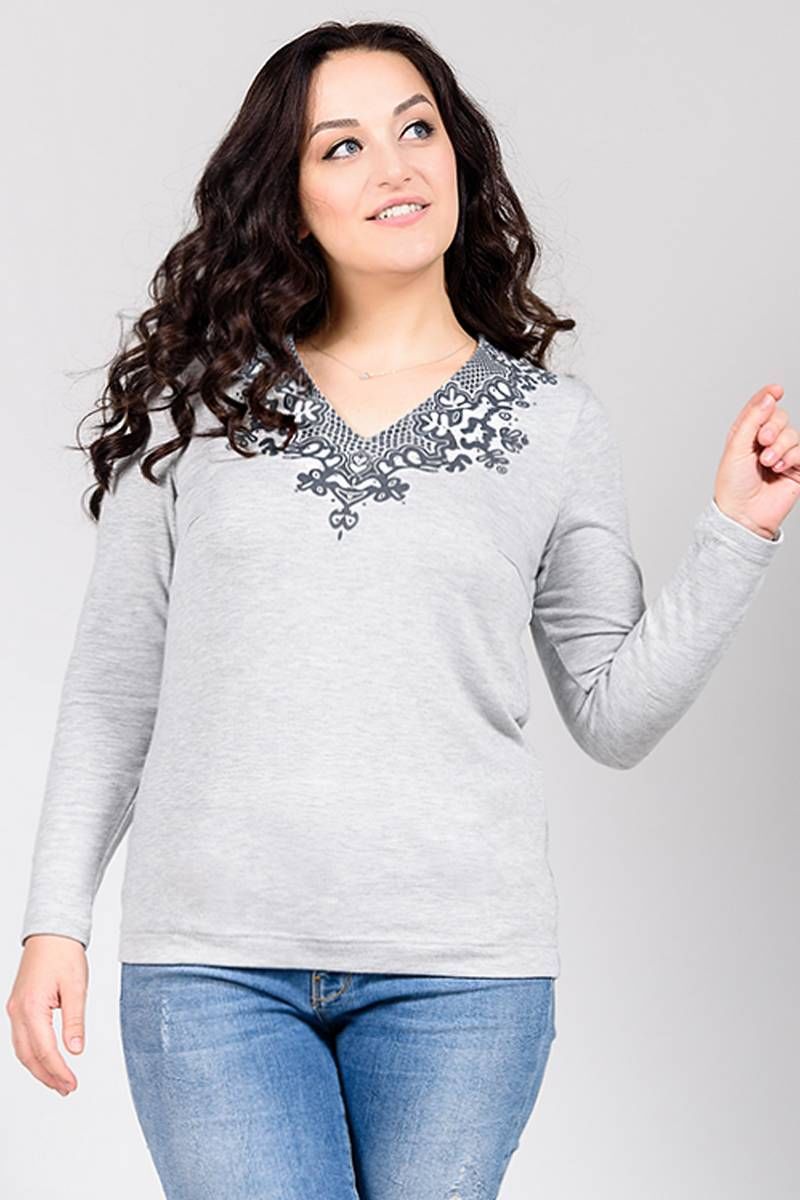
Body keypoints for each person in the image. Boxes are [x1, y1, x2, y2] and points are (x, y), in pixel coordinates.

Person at [7, 19, 796, 1200]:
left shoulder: (552, 428)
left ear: (457, 155)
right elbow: (115, 693)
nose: (394, 166)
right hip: (210, 967)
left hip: (460, 978)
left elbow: (613, 715)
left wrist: (735, 532)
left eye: (415, 128)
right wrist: (51, 924)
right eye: (342, 145)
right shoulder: (197, 411)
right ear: (288, 199)